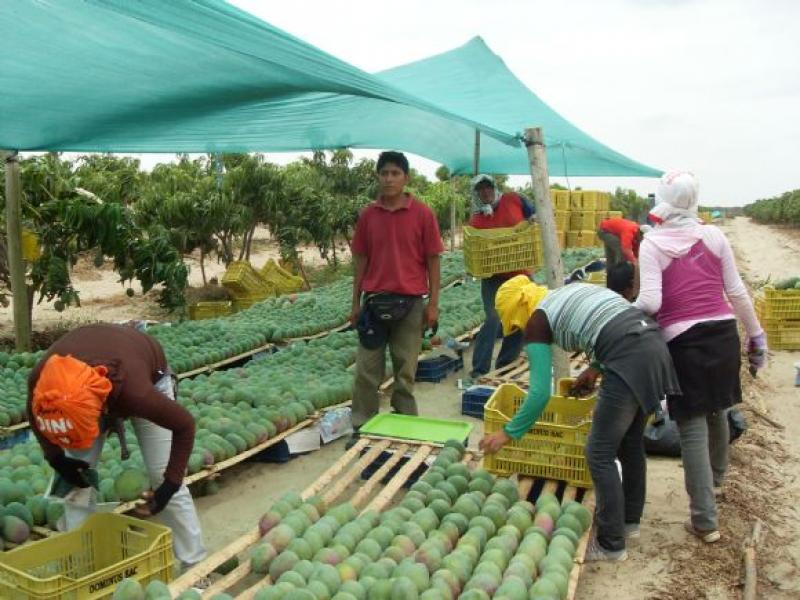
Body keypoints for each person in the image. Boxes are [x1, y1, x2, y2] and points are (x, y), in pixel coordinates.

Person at [480, 276, 681, 561]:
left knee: (598, 453)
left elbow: (539, 394)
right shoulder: (565, 293)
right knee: (630, 442)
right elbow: (612, 322)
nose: (521, 328)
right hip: (652, 345)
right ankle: (629, 523)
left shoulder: (537, 321)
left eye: (516, 322)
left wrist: (507, 433)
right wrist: (595, 368)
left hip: (627, 357)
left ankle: (611, 544)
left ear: (520, 308)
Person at [633, 170, 766, 544]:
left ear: (662, 200)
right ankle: (717, 481)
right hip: (723, 334)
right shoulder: (714, 235)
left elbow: (651, 302)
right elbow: (736, 292)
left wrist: (624, 311)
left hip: (684, 342)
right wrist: (756, 335)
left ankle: (705, 521)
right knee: (718, 410)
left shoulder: (653, 244)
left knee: (691, 427)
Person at [27, 323, 206, 569]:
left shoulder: (138, 394)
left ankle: (195, 565)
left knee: (161, 473)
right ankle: (82, 568)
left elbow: (185, 425)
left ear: (100, 411)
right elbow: (32, 410)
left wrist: (171, 484)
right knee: (76, 484)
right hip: (82, 385)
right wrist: (55, 457)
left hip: (148, 375)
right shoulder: (43, 381)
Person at [349, 151, 443, 432]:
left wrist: (433, 304)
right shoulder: (368, 216)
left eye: (395, 173)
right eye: (384, 173)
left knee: (405, 373)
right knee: (366, 372)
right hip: (374, 303)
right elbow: (360, 260)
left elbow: (433, 260)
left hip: (410, 304)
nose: (389, 179)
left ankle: (404, 426)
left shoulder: (422, 214)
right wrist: (355, 303)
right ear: (378, 177)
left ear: (406, 178)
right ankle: (362, 425)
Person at [468, 174, 535, 379]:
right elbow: (476, 250)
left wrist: (533, 220)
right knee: (493, 318)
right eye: (480, 189)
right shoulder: (477, 220)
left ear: (494, 188)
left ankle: (505, 364)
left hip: (520, 273)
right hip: (493, 277)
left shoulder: (513, 199)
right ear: (476, 194)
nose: (485, 192)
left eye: (488, 187)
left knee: (519, 319)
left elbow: (534, 213)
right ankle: (480, 368)